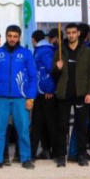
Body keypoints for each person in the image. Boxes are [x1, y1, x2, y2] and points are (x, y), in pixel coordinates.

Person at [0, 25, 37, 170]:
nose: (12, 39)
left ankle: (26, 158)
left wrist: (30, 97)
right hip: (1, 98)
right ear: (6, 36)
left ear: (19, 37)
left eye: (15, 36)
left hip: (21, 98)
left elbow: (33, 78)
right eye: (10, 36)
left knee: (23, 130)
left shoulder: (26, 54)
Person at [52, 23, 90, 167]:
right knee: (62, 127)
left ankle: (81, 155)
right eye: (68, 33)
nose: (71, 35)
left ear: (78, 33)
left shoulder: (87, 51)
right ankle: (60, 156)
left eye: (73, 32)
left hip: (81, 94)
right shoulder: (60, 51)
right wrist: (57, 68)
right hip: (64, 94)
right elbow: (54, 74)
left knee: (82, 127)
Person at [30, 30, 57, 160]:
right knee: (42, 125)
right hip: (41, 92)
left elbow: (51, 70)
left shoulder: (44, 51)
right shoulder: (42, 50)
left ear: (33, 39)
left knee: (45, 124)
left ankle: (55, 152)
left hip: (45, 93)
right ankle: (46, 150)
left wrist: (50, 89)